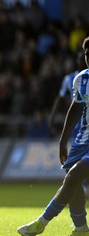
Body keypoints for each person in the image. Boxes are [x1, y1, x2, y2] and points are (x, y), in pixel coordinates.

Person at [17, 36, 89, 236]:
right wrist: (62, 140)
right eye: (87, 54)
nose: (88, 58)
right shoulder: (81, 79)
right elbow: (76, 108)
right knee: (71, 179)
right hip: (83, 139)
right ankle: (82, 229)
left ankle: (41, 222)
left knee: (74, 175)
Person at [48, 51, 89, 197]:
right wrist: (52, 117)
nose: (84, 60)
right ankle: (78, 208)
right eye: (83, 57)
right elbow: (61, 99)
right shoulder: (71, 79)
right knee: (73, 166)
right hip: (78, 125)